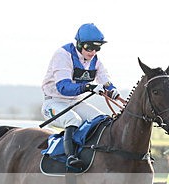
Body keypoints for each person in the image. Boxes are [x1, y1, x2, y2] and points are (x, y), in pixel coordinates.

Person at [41, 23, 121, 169]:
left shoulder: (95, 60)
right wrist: (88, 86)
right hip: (54, 103)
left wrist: (112, 90)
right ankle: (70, 157)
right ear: (79, 44)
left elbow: (104, 78)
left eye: (97, 48)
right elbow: (63, 87)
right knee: (73, 119)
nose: (93, 52)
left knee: (102, 120)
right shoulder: (63, 55)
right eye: (89, 48)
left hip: (76, 103)